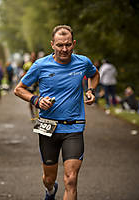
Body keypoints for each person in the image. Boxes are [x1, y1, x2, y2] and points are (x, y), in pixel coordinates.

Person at [14, 25, 100, 200]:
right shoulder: (40, 65)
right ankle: (50, 191)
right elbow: (19, 89)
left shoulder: (82, 62)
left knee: (71, 179)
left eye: (68, 44)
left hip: (74, 127)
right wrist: (37, 100)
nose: (64, 49)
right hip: (47, 126)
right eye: (60, 45)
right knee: (48, 178)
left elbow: (95, 74)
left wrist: (90, 91)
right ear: (52, 44)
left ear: (73, 43)